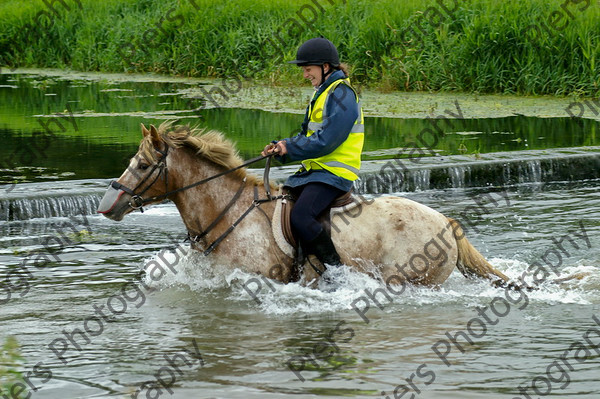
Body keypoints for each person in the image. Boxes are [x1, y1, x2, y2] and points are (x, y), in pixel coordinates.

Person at [262, 37, 364, 272]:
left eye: (308, 69)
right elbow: (307, 136)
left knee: (300, 217)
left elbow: (328, 141)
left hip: (334, 173)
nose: (305, 74)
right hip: (315, 173)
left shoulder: (342, 95)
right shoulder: (323, 93)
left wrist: (291, 147)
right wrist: (282, 148)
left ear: (325, 67)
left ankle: (338, 273)